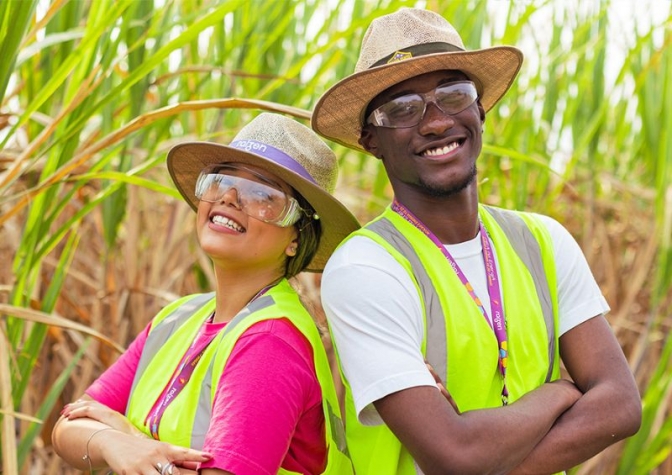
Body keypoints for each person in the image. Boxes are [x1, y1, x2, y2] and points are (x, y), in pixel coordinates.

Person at [311, 8, 641, 475]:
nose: (435, 122)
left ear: (480, 110)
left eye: (453, 95)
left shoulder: (544, 241)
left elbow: (621, 406)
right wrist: (560, 392)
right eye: (401, 109)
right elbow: (454, 457)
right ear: (371, 140)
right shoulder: (366, 267)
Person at [52, 112, 359, 475]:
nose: (229, 198)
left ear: (296, 237)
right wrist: (113, 443)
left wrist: (132, 443)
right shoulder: (178, 317)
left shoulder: (270, 342)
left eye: (262, 194)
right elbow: (68, 425)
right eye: (220, 181)